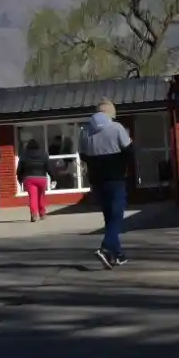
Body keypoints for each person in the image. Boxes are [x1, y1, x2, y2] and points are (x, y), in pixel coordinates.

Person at [79, 99, 134, 269]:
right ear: (111, 113)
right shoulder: (116, 128)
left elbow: (82, 155)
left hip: (97, 179)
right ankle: (106, 248)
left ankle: (116, 255)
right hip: (115, 177)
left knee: (109, 216)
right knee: (116, 215)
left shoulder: (85, 131)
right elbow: (129, 151)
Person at [16, 138, 55, 222]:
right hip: (42, 178)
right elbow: (48, 167)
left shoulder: (24, 155)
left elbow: (20, 168)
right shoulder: (44, 154)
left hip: (29, 179)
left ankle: (34, 215)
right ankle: (42, 214)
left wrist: (19, 178)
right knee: (41, 196)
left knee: (33, 197)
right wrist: (53, 177)